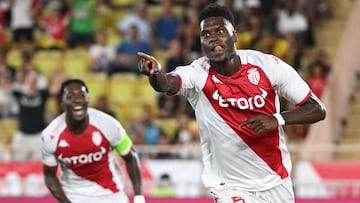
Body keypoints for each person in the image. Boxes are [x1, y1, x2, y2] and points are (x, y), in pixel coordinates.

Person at [137, 3, 326, 203]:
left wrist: (276, 119)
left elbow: (317, 109)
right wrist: (156, 72)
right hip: (229, 186)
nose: (213, 38)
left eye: (220, 31)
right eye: (206, 34)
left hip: (275, 181)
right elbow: (166, 83)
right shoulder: (197, 73)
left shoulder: (267, 66)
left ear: (234, 35)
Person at [41, 79, 145, 203]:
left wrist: (139, 196)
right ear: (63, 103)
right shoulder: (50, 135)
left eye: (82, 95)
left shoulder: (109, 124)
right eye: (70, 97)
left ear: (88, 100)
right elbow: (49, 175)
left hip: (112, 195)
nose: (77, 100)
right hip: (74, 196)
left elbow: (131, 156)